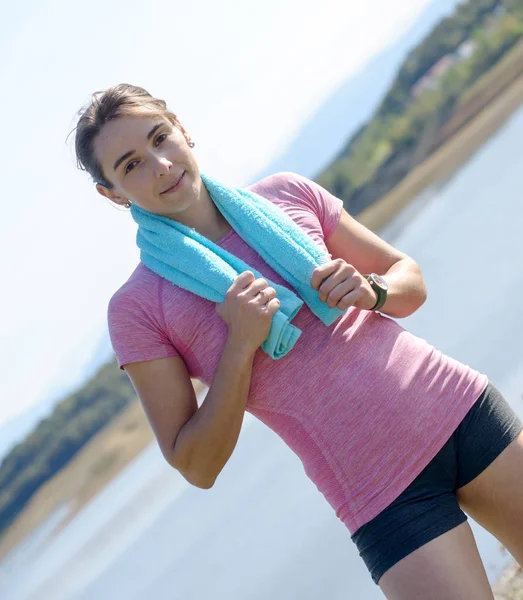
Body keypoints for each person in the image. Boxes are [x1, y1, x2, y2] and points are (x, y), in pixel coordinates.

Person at [72, 83, 523, 599]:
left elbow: (408, 281)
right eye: (130, 165)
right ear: (111, 192)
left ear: (183, 131)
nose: (159, 165)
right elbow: (195, 463)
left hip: (462, 412)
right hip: (381, 498)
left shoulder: (287, 193)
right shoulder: (136, 309)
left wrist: (373, 291)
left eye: (159, 138)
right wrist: (241, 345)